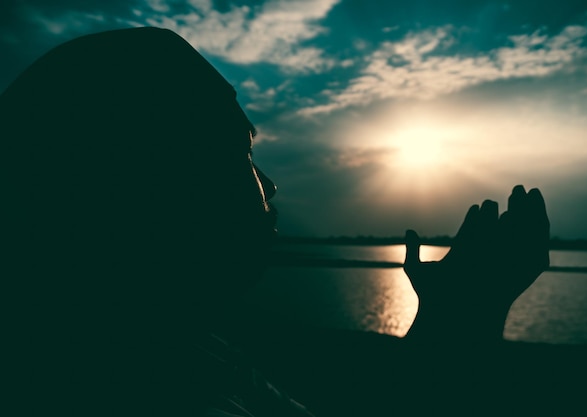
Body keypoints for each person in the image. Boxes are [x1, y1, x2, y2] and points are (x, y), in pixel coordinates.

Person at [2, 27, 549, 417]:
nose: (270, 183)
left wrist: (454, 316)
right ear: (150, 183)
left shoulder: (178, 348)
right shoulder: (147, 390)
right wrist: (465, 319)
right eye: (240, 151)